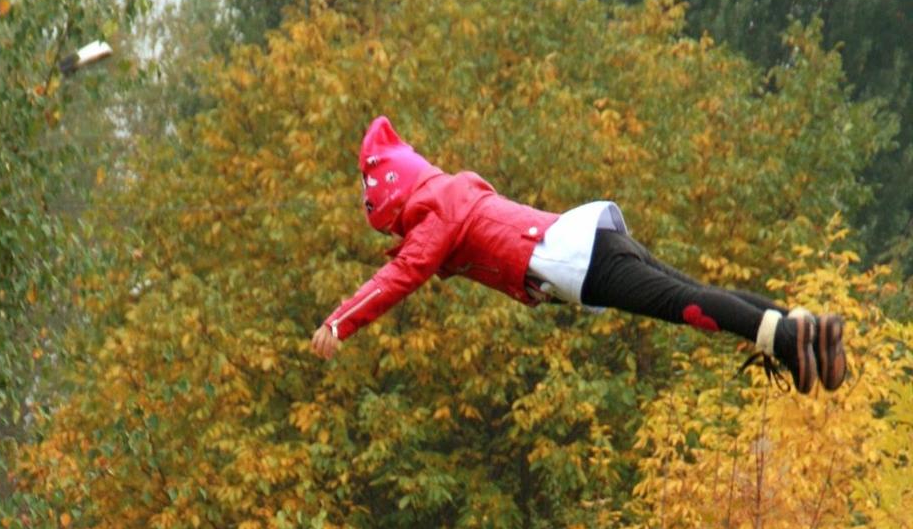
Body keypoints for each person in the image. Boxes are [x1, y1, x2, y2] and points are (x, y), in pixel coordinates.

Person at [311, 116, 847, 395]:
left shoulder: (437, 208)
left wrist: (340, 323)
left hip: (581, 259)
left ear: (391, 187)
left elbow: (405, 271)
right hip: (588, 245)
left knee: (686, 305)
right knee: (693, 293)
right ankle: (801, 328)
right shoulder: (447, 197)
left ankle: (788, 340)